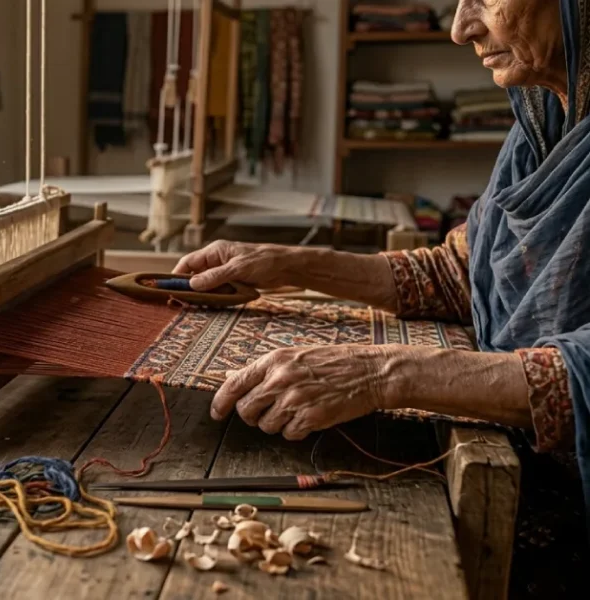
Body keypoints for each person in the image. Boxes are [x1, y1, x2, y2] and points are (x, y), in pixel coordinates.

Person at [175, 0, 590, 522]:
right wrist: (284, 263)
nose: (461, 29)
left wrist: (384, 373)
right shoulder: (545, 120)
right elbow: (461, 273)